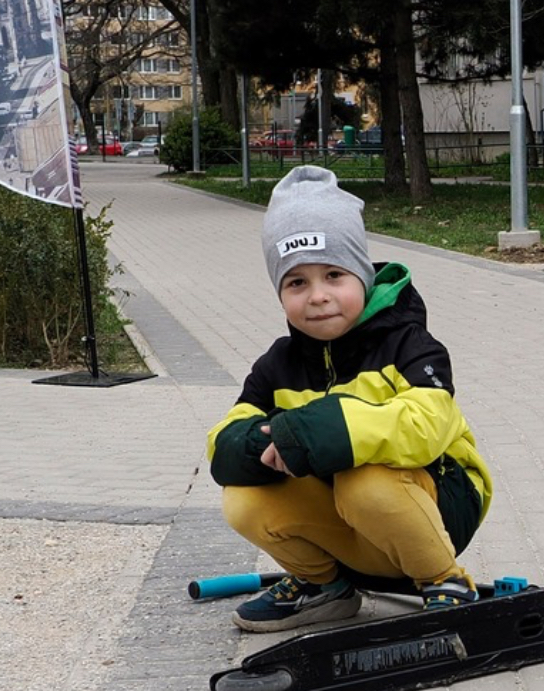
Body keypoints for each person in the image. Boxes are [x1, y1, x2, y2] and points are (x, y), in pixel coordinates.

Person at [209, 165, 493, 631]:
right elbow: (224, 437)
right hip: (350, 524)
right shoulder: (276, 365)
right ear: (280, 292)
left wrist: (317, 429)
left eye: (334, 275)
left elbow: (427, 426)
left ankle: (445, 581)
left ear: (362, 274)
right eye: (297, 282)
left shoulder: (409, 344)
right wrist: (261, 442)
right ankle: (323, 587)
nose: (318, 296)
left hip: (440, 506)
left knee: (367, 484)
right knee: (243, 498)